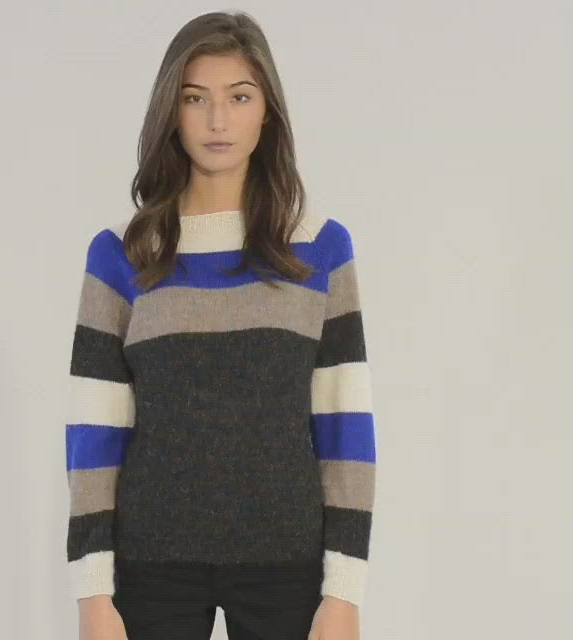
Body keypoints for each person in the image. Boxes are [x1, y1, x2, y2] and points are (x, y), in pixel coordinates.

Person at [65, 10, 377, 640]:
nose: (217, 121)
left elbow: (345, 425)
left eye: (239, 97)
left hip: (287, 564)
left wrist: (345, 591)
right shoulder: (123, 255)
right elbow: (94, 433)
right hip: (150, 566)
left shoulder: (318, 249)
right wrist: (92, 594)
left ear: (268, 113)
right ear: (170, 113)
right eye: (194, 98)